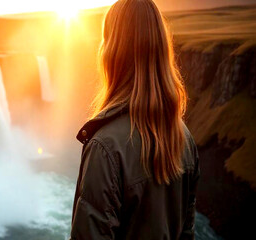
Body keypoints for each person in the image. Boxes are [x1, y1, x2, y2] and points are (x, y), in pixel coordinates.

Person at [70, 0, 200, 239]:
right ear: (162, 50)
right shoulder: (184, 136)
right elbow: (186, 231)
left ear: (111, 51)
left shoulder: (105, 147)